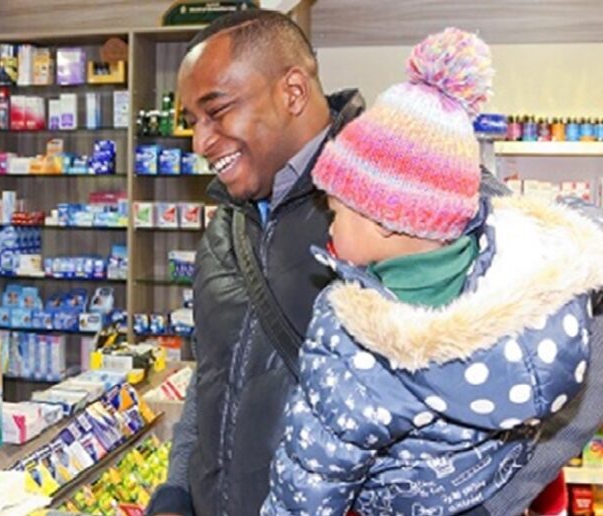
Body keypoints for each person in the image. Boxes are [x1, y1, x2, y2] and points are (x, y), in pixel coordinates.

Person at [147, 10, 603, 516]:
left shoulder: (408, 192)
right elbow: (214, 371)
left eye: (217, 112)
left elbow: (574, 339)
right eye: (192, 121)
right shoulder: (225, 227)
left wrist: (474, 503)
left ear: (292, 92)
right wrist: (178, 488)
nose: (199, 141)